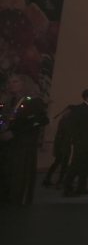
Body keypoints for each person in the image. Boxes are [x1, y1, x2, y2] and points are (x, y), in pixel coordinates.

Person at [0, 74, 48, 205]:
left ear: (24, 83)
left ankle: (15, 204)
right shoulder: (9, 101)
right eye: (9, 82)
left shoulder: (33, 100)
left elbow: (40, 120)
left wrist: (14, 132)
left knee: (17, 176)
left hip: (22, 145)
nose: (11, 84)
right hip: (5, 145)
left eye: (15, 81)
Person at [63, 89, 88, 197]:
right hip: (81, 141)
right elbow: (72, 125)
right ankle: (68, 188)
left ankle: (81, 187)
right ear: (87, 98)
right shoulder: (79, 109)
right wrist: (77, 139)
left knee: (86, 165)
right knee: (76, 164)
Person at [42, 107, 73, 188]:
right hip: (64, 144)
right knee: (63, 163)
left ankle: (48, 178)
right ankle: (60, 179)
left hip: (61, 144)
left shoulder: (62, 120)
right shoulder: (67, 121)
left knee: (58, 162)